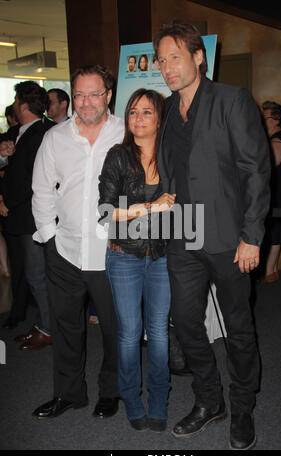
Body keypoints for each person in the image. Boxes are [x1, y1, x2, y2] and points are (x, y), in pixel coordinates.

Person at [153, 20, 270, 450]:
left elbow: (256, 171)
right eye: (162, 60)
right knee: (185, 324)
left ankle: (242, 408)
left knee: (238, 327)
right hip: (183, 236)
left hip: (228, 237)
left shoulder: (231, 100)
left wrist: (252, 235)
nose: (167, 67)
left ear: (199, 57)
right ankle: (209, 400)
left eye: (175, 57)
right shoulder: (167, 111)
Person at [31, 65, 124, 420]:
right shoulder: (55, 137)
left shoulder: (125, 132)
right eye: (80, 94)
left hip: (112, 253)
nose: (86, 102)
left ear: (108, 96)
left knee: (117, 330)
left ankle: (111, 392)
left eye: (94, 94)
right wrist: (50, 237)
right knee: (67, 328)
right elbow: (41, 190)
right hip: (65, 251)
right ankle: (69, 394)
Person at [99, 88, 173, 432]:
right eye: (132, 112)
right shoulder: (118, 155)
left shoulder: (171, 155)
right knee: (130, 334)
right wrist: (149, 207)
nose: (138, 118)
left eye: (146, 112)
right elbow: (104, 211)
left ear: (160, 116)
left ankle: (159, 399)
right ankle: (130, 398)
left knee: (158, 332)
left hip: (160, 256)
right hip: (123, 256)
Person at [0, 82, 55, 350]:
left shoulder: (43, 133)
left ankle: (48, 328)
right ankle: (45, 324)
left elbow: (35, 180)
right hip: (25, 216)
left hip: (34, 217)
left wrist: (6, 201)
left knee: (38, 274)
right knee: (36, 275)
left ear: (23, 105)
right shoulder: (19, 132)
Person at [260, 101, 281, 282]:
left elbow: (268, 166)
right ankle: (271, 270)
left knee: (274, 232)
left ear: (276, 120)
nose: (262, 121)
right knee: (275, 231)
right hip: (280, 193)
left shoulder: (277, 140)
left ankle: (269, 271)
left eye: (265, 118)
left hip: (277, 194)